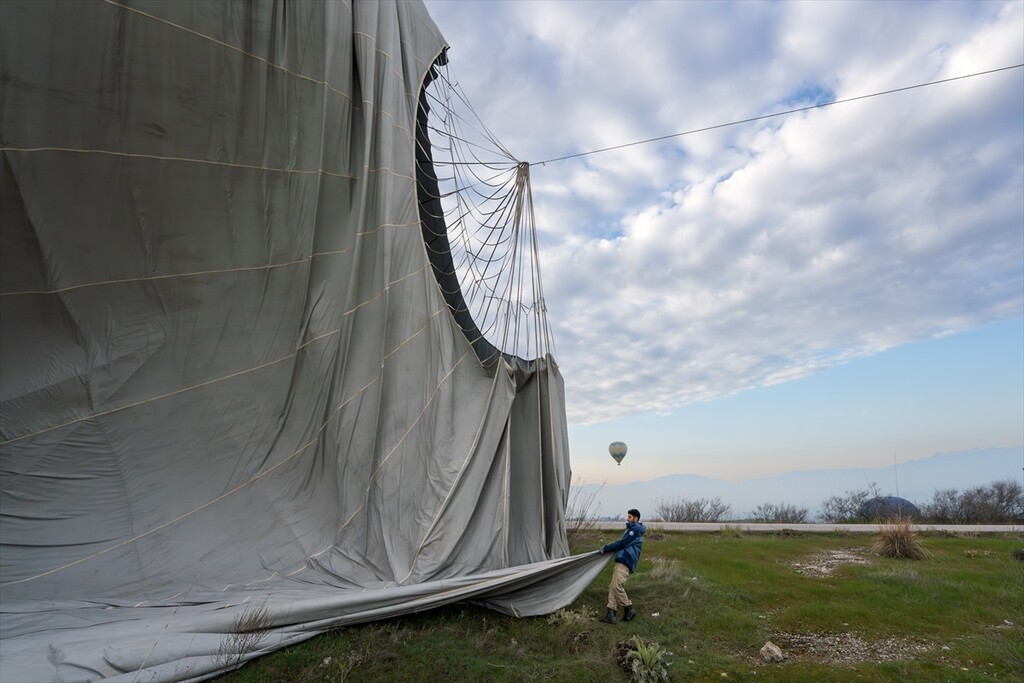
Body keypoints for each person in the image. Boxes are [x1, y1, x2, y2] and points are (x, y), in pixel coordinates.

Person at [599, 508, 646, 624]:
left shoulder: (634, 530)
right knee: (612, 587)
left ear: (636, 518)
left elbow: (622, 543)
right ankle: (611, 615)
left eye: (630, 517)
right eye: (628, 516)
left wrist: (606, 548)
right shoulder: (632, 529)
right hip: (622, 560)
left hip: (626, 561)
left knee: (616, 587)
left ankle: (628, 609)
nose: (627, 519)